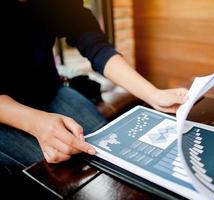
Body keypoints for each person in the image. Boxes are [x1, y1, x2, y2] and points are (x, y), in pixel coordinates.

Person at [0, 0, 188, 175]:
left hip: (48, 90)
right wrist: (34, 122)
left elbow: (92, 42)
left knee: (112, 153)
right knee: (67, 173)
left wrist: (152, 94)